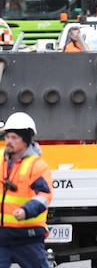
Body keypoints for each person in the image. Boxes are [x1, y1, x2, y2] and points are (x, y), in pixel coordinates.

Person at [0, 112, 53, 268]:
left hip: (27, 237)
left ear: (26, 140)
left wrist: (26, 210)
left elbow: (44, 195)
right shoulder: (1, 161)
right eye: (7, 137)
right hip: (2, 237)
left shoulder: (37, 165)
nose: (9, 141)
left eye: (14, 138)